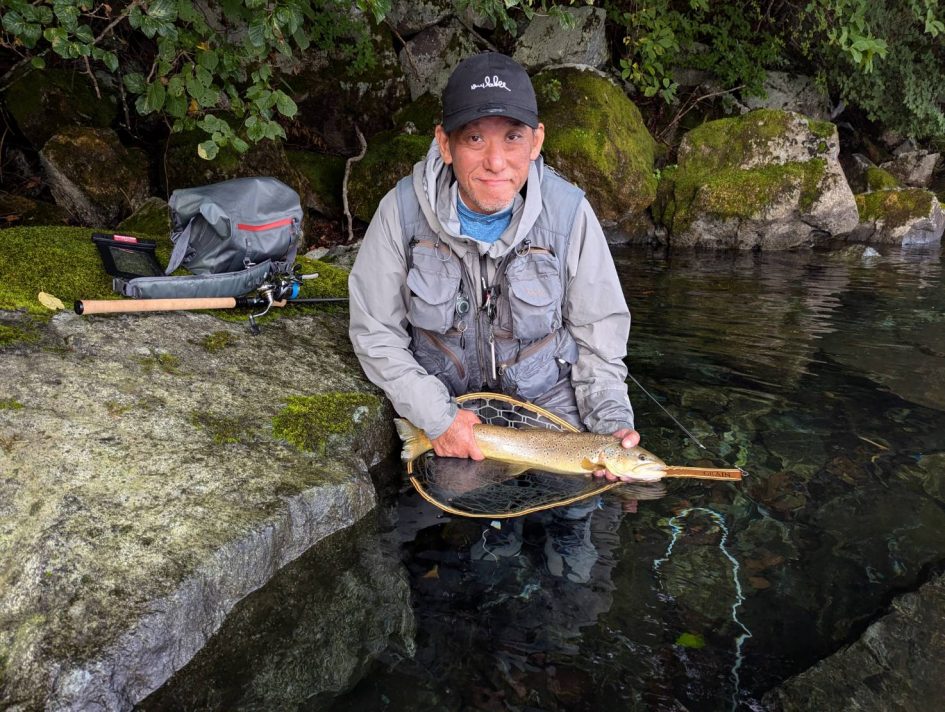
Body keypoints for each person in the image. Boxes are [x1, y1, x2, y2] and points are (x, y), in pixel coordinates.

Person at [348, 52, 641, 484]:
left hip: (550, 404)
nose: (496, 161)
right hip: (452, 404)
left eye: (512, 137)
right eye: (474, 139)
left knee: (576, 514)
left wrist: (612, 425)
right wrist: (438, 416)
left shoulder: (570, 214)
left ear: (537, 141)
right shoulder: (401, 212)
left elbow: (599, 343)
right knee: (454, 508)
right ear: (444, 144)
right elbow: (376, 333)